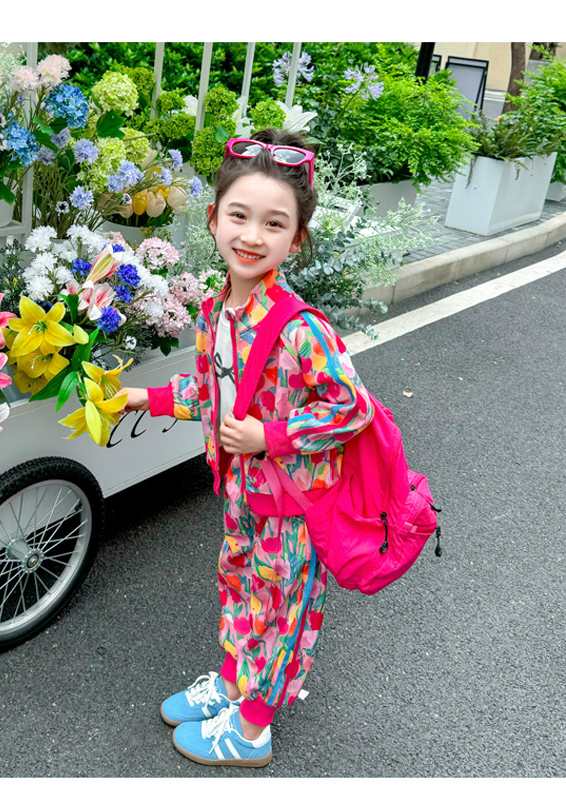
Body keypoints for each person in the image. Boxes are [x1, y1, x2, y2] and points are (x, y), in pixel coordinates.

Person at [120, 129, 374, 768]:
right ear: (213, 219)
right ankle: (234, 684)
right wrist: (143, 398)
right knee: (238, 584)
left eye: (274, 223)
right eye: (239, 215)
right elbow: (210, 390)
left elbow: (353, 407)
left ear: (297, 239)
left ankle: (253, 728)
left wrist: (271, 436)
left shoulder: (302, 328)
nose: (252, 235)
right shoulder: (216, 314)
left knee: (280, 609)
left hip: (294, 506)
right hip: (241, 493)